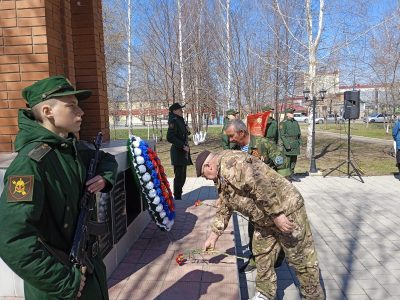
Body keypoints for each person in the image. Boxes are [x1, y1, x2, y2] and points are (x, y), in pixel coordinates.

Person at [0, 75, 118, 299]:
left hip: (90, 270)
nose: (81, 112)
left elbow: (105, 159)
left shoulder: (70, 149)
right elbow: (11, 238)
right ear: (47, 112)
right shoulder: (30, 165)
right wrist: (64, 282)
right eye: (71, 106)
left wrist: (104, 177)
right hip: (60, 286)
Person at [196, 150, 324, 300]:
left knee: (300, 257)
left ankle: (313, 296)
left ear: (209, 166)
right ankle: (265, 293)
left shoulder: (232, 164)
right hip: (264, 219)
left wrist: (277, 214)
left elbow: (261, 185)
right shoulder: (221, 173)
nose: (205, 179)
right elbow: (226, 204)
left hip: (286, 211)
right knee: (262, 255)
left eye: (203, 175)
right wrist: (214, 235)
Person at [224, 119, 290, 273]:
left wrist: (280, 194)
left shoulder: (264, 144)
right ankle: (255, 259)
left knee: (278, 228)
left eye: (232, 135)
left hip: (272, 197)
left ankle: (278, 258)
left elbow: (283, 167)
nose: (230, 139)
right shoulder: (237, 150)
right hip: (254, 199)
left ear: (242, 133)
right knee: (253, 230)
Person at [167, 103, 193, 200]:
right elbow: (170, 137)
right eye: (179, 109)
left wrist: (188, 130)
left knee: (183, 176)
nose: (182, 111)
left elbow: (182, 133)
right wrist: (182, 146)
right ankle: (177, 198)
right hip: (178, 152)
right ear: (174, 111)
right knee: (179, 177)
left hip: (183, 152)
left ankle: (178, 194)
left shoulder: (180, 120)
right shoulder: (173, 120)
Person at [280, 108, 301, 182]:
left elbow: (299, 133)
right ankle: (287, 176)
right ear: (287, 114)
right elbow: (282, 135)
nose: (293, 114)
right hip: (288, 144)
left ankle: (292, 175)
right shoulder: (284, 123)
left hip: (295, 144)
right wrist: (287, 145)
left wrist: (299, 142)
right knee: (288, 161)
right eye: (291, 113)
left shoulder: (295, 122)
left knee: (294, 160)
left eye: (293, 113)